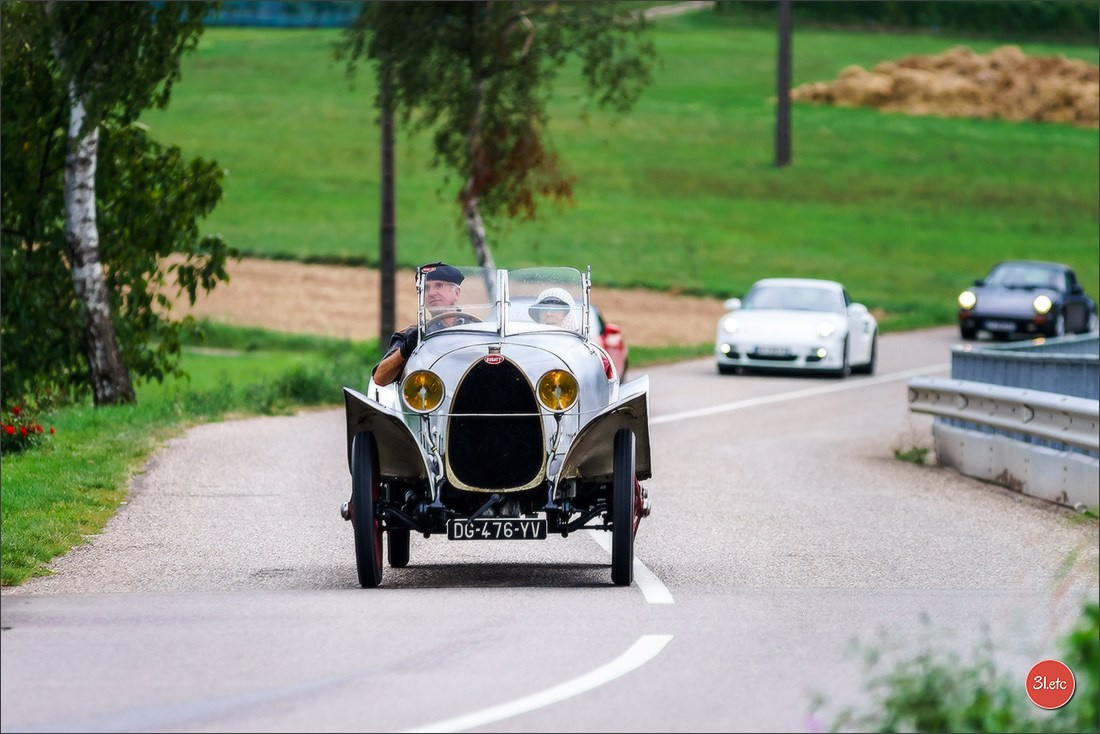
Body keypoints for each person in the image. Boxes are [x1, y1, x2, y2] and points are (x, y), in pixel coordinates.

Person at [372, 262, 464, 387]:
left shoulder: (477, 329)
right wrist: (406, 348)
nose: (431, 293)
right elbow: (379, 378)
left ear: (457, 293)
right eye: (426, 288)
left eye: (439, 285)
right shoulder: (411, 334)